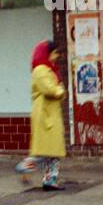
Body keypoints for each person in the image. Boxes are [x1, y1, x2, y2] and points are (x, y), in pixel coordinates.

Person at [15, 40, 67, 191]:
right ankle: (24, 167)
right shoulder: (41, 70)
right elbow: (50, 90)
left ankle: (50, 181)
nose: (57, 56)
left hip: (50, 113)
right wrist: (61, 90)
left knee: (54, 152)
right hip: (45, 115)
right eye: (55, 53)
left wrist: (59, 90)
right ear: (48, 53)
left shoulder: (48, 69)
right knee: (45, 152)